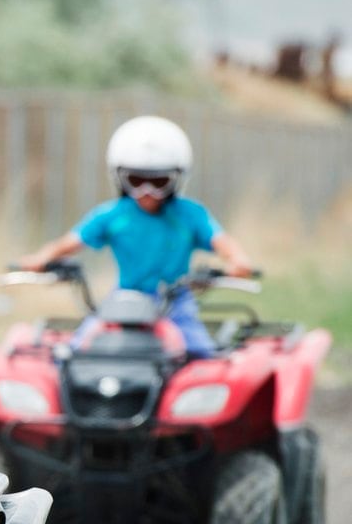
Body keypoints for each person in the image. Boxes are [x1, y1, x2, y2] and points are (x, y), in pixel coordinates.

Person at [17, 115, 254, 358]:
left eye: (158, 181)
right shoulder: (113, 214)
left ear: (176, 179)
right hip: (124, 300)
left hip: (175, 304)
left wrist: (238, 260)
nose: (146, 191)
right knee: (79, 351)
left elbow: (222, 242)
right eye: (136, 180)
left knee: (202, 356)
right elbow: (69, 243)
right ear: (120, 178)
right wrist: (42, 257)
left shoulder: (189, 214)